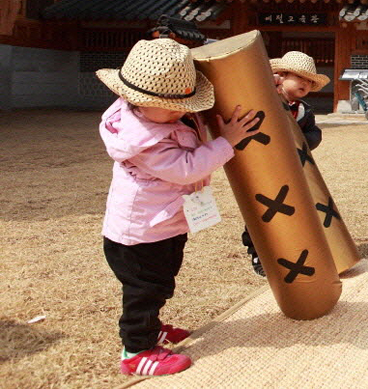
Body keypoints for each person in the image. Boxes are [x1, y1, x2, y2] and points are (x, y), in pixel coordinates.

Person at [97, 38, 259, 376]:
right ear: (134, 99)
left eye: (185, 103)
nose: (182, 111)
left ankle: (150, 328)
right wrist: (227, 141)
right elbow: (187, 167)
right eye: (171, 106)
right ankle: (136, 350)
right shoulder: (142, 138)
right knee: (145, 290)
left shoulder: (165, 116)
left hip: (164, 223)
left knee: (161, 282)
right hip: (140, 234)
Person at [241, 50, 329, 276]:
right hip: (264, 171)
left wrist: (302, 142)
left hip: (294, 172)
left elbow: (314, 133)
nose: (306, 85)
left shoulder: (304, 110)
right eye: (300, 78)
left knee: (294, 213)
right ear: (280, 75)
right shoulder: (263, 101)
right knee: (261, 213)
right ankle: (257, 253)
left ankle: (290, 249)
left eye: (310, 82)